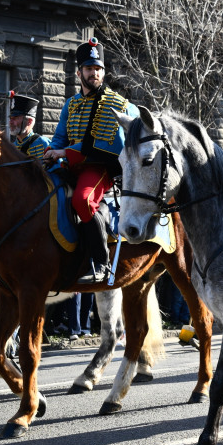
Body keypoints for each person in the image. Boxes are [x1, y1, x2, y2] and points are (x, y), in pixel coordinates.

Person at [44, 38, 140, 283]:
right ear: (79, 73)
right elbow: (59, 138)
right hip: (70, 167)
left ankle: (101, 262)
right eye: (89, 69)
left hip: (98, 168)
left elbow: (105, 145)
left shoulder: (115, 105)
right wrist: (50, 155)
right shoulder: (71, 104)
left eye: (98, 69)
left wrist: (65, 152)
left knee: (83, 200)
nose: (94, 73)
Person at [8, 91, 49, 159]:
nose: (11, 122)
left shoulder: (42, 143)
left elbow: (57, 168)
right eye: (10, 118)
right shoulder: (12, 148)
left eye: (15, 118)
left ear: (29, 121)